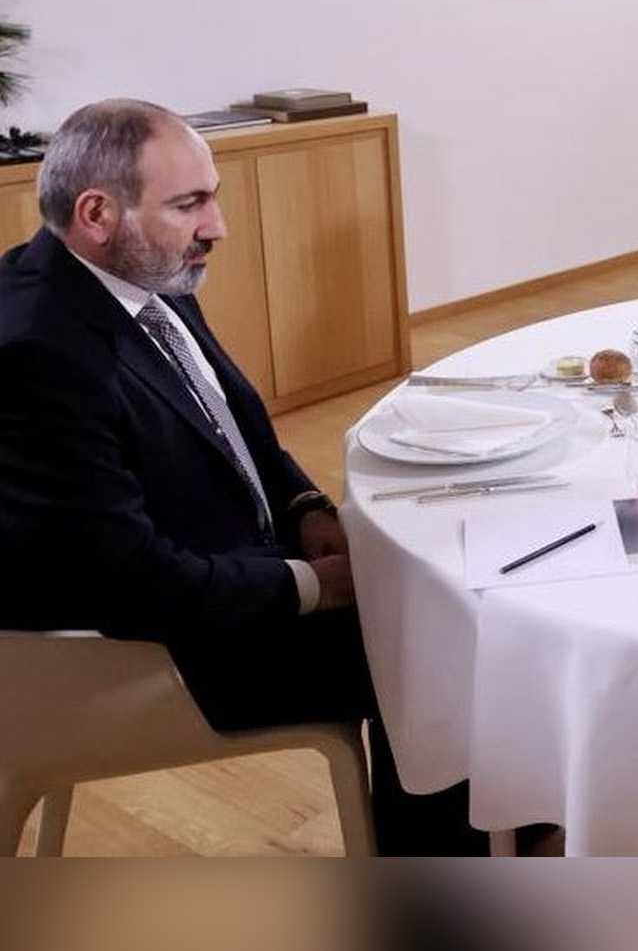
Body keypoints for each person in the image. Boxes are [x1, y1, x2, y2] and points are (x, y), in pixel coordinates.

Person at [0, 99, 483, 853]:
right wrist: (314, 585)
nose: (216, 225)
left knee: (445, 578)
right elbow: (129, 584)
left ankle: (490, 817)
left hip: (217, 574)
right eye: (189, 203)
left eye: (214, 197)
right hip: (155, 651)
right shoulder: (38, 352)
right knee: (433, 637)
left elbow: (235, 428)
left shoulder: (138, 276)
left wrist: (305, 505)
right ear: (96, 213)